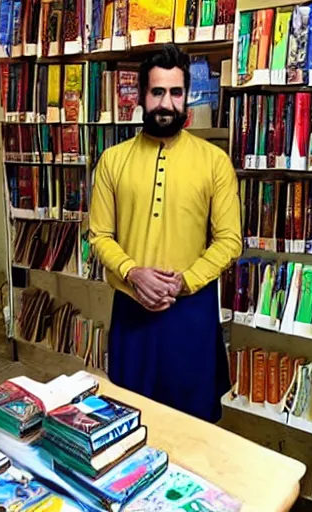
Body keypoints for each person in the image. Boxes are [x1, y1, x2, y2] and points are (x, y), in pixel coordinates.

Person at [89, 43, 242, 423]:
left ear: (186, 97)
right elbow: (99, 235)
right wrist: (132, 273)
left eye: (175, 93)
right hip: (131, 308)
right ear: (141, 96)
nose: (166, 103)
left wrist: (184, 282)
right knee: (130, 417)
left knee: (193, 425)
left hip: (190, 312)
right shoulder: (113, 160)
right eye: (157, 92)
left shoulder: (214, 162)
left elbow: (229, 240)